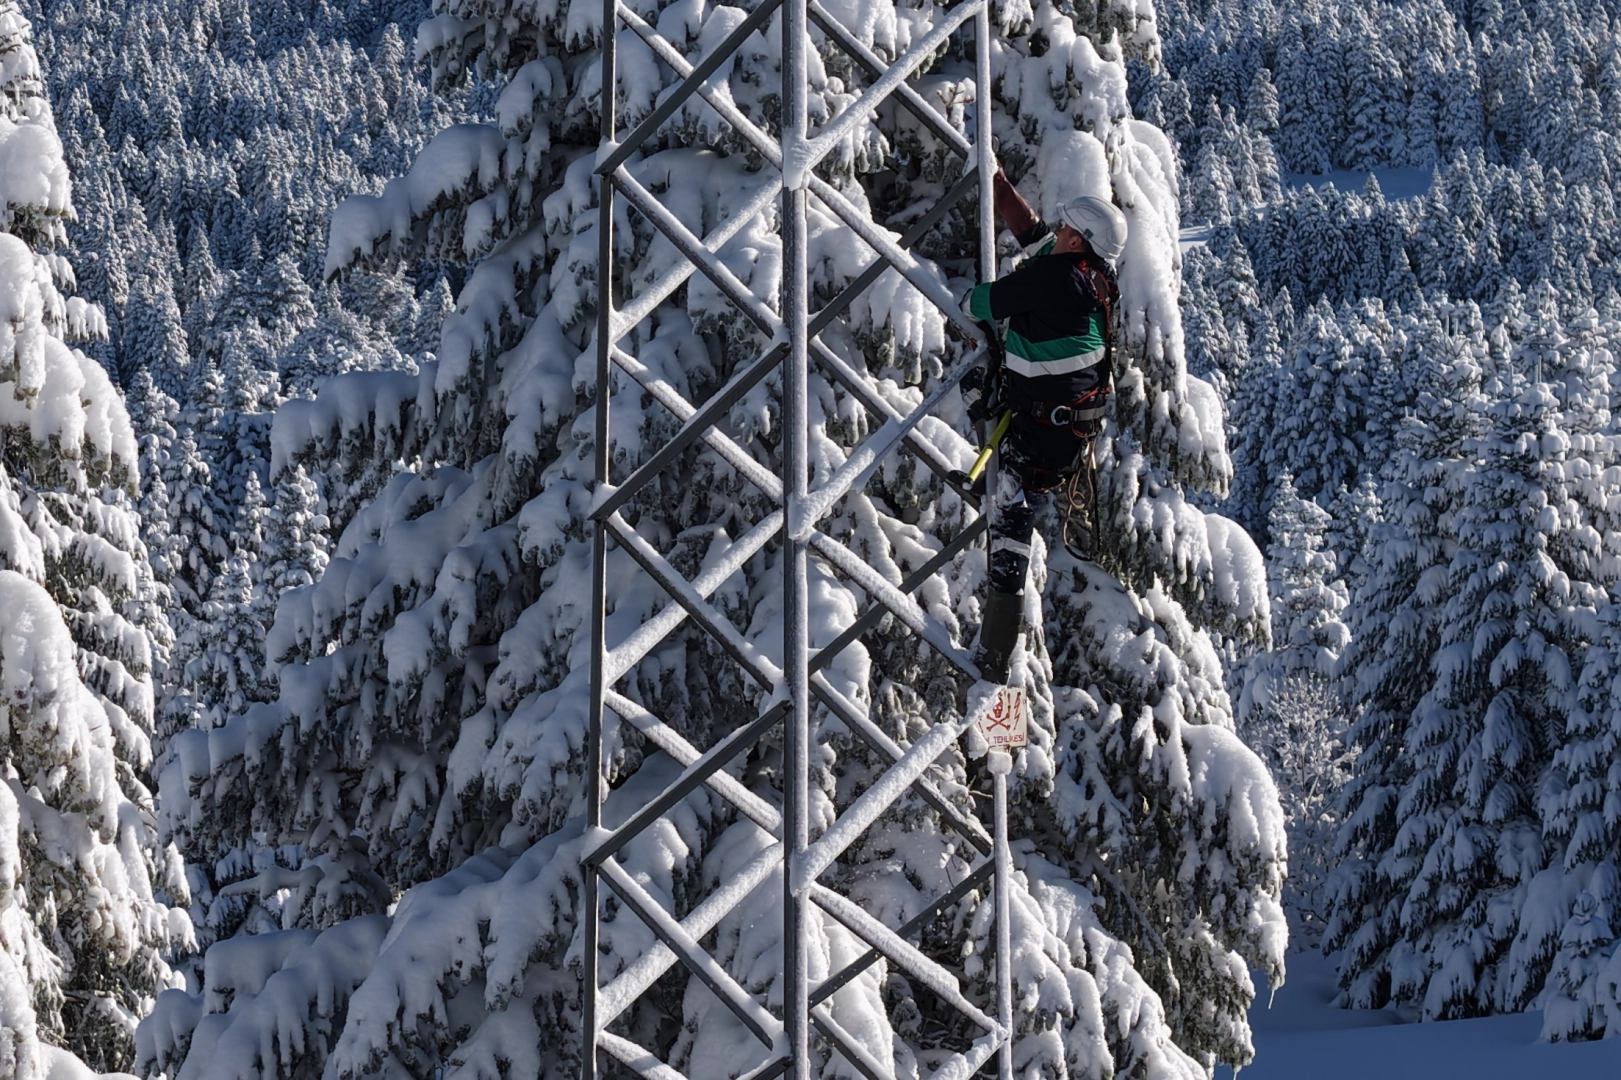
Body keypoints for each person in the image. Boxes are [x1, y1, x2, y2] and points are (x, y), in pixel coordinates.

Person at [960, 168, 1128, 684]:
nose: (1054, 233)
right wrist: (997, 182)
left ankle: (994, 665)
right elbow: (1032, 234)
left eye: (1063, 229)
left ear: (1076, 239)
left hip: (1039, 437)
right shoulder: (1095, 279)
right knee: (1013, 511)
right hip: (1068, 432)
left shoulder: (1052, 278)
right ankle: (998, 664)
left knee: (1010, 529)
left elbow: (977, 304)